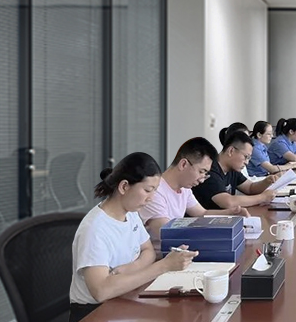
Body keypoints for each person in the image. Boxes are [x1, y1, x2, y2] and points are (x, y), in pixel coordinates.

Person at [69, 153, 197, 322]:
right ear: (124, 187)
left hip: (124, 298)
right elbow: (101, 291)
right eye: (147, 190)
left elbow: (148, 251)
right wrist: (164, 266)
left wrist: (130, 268)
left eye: (155, 191)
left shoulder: (131, 214)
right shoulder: (95, 229)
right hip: (95, 312)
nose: (151, 198)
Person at [138, 137, 249, 240]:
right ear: (183, 164)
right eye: (201, 172)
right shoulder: (155, 191)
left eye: (205, 174)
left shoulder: (184, 189)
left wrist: (231, 213)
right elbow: (166, 232)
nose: (202, 180)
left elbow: (202, 213)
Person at [192, 131, 279, 209]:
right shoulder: (210, 170)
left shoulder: (232, 169)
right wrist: (262, 197)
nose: (247, 163)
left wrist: (266, 182)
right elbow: (227, 202)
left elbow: (250, 188)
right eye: (246, 157)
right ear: (231, 151)